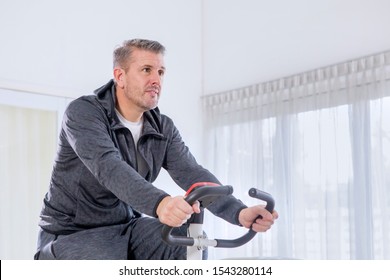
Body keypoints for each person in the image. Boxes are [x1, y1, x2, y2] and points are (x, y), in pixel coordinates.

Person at [35, 38, 278, 260]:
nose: (156, 80)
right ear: (120, 76)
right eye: (146, 70)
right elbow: (108, 166)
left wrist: (238, 212)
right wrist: (160, 203)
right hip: (72, 233)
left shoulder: (162, 127)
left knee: (189, 243)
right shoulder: (84, 113)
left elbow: (193, 174)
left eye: (161, 72)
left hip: (126, 228)